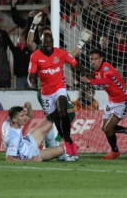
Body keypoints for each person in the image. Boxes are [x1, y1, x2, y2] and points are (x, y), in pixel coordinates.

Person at [26, 12, 92, 156]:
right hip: (43, 90)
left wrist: (81, 44)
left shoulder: (58, 52)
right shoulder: (37, 52)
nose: (48, 43)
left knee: (67, 113)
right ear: (41, 40)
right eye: (45, 39)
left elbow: (69, 57)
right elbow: (29, 44)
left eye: (50, 39)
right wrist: (33, 25)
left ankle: (65, 141)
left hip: (59, 87)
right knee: (52, 120)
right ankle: (53, 143)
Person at [80, 49, 127, 160]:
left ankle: (115, 151)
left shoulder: (106, 67)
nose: (93, 61)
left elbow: (107, 81)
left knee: (108, 129)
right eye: (91, 59)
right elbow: (99, 78)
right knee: (104, 128)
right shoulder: (97, 71)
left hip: (122, 102)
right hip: (111, 101)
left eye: (96, 59)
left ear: (101, 59)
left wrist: (89, 81)